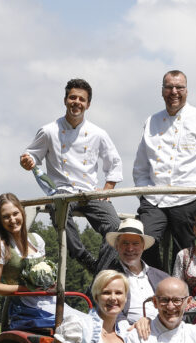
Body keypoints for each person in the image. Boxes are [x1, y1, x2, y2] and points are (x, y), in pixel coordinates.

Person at [21, 78, 122, 273]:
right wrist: (27, 161)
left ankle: (100, 272)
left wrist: (107, 190)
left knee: (116, 226)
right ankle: (82, 256)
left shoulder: (98, 133)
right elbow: (31, 155)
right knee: (57, 207)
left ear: (88, 104)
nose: (77, 102)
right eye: (73, 97)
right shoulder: (49, 131)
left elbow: (115, 163)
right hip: (62, 190)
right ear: (65, 100)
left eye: (82, 99)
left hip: (90, 192)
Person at [132, 69, 196, 271]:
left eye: (179, 87)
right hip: (155, 198)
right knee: (143, 240)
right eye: (169, 87)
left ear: (187, 90)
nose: (174, 92)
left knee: (185, 253)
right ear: (162, 91)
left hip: (187, 198)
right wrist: (143, 195)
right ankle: (158, 281)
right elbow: (140, 167)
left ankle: (181, 288)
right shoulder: (151, 121)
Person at [0, 193, 60, 330]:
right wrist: (27, 289)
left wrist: (50, 283)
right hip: (26, 308)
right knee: (73, 323)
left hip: (49, 300)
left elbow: (44, 273)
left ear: (22, 213)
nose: (12, 220)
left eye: (15, 214)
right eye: (6, 217)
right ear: (0, 221)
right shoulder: (1, 246)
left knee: (87, 321)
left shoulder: (36, 240)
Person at [106, 218, 169, 328]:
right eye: (125, 243)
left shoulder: (162, 277)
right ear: (117, 246)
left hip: (164, 329)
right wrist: (129, 329)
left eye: (135, 243)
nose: (130, 248)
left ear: (143, 246)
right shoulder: (109, 277)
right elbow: (105, 308)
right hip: (129, 330)